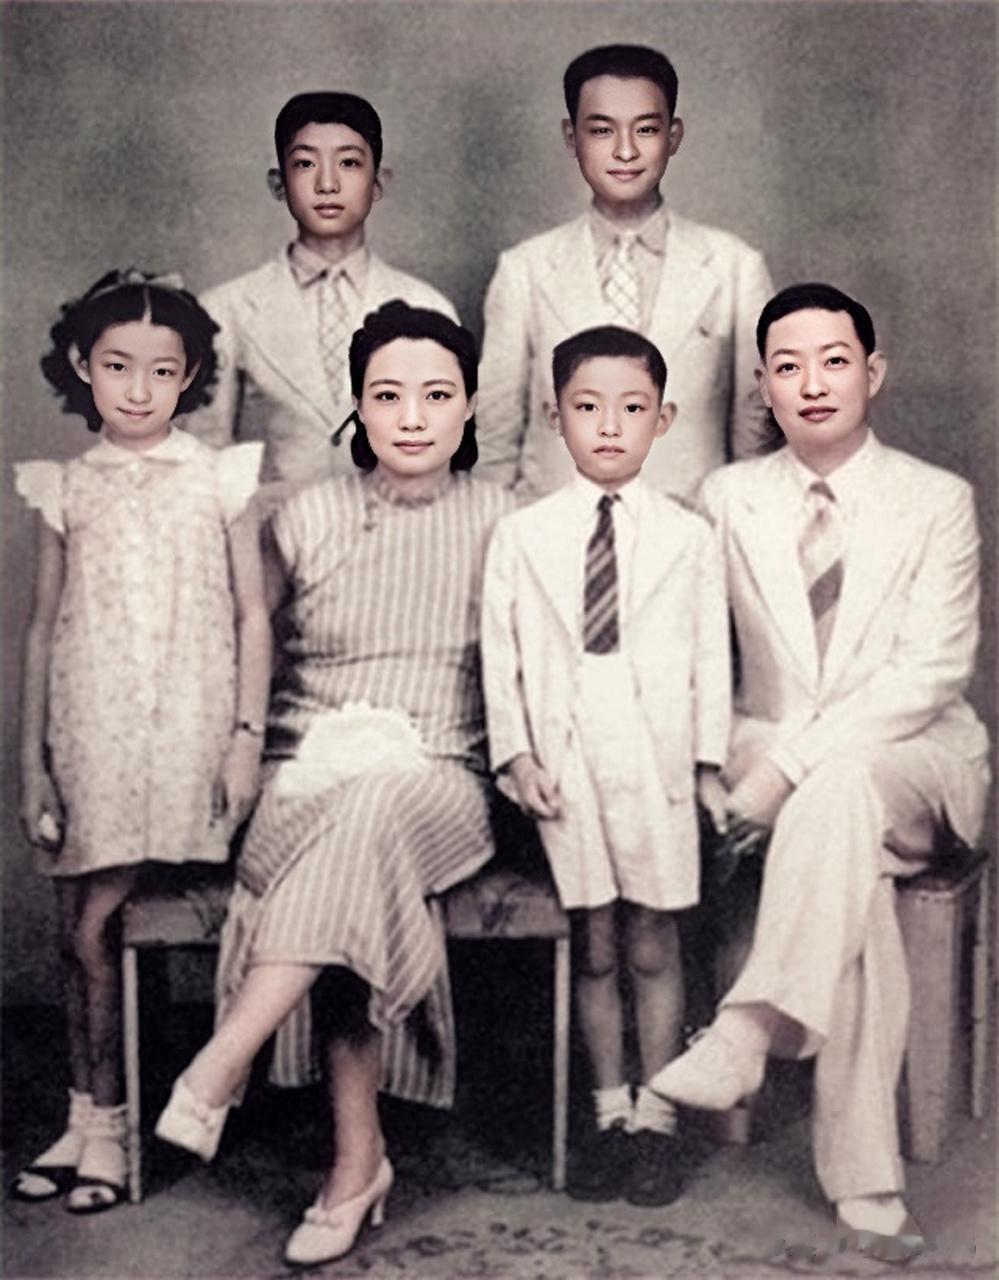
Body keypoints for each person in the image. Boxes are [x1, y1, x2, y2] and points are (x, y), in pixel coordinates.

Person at [155, 301, 514, 1268]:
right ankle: (356, 1166)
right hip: (304, 772)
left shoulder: (506, 518)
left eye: (436, 395)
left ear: (468, 404)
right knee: (353, 846)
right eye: (387, 395)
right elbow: (233, 647)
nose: (412, 416)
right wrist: (237, 747)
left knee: (375, 814)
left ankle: (222, 1062)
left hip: (440, 776)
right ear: (357, 406)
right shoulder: (303, 515)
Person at [651, 283, 991, 1263]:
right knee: (854, 870)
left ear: (872, 373)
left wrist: (787, 768)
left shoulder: (935, 499)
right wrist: (718, 763)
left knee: (841, 786)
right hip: (776, 758)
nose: (811, 383)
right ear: (762, 386)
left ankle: (745, 1030)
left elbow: (929, 673)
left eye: (834, 361)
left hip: (916, 761)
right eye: (787, 366)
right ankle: (867, 1186)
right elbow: (695, 652)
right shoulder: (728, 497)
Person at [12, 269, 269, 1212]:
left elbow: (250, 613)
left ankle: (115, 1127)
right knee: (73, 930)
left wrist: (244, 738)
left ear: (190, 375)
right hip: (93, 732)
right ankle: (85, 1117)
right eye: (118, 365)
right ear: (84, 366)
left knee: (98, 928)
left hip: (187, 736)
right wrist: (32, 762)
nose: (138, 388)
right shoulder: (66, 487)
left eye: (162, 370)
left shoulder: (219, 477)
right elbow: (44, 628)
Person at [481, 325, 730, 1204]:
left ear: (663, 419)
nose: (610, 426)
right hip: (568, 752)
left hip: (652, 751)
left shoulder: (688, 537)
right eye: (587, 407)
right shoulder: (522, 535)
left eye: (631, 408)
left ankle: (657, 1119)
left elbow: (710, 660)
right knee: (592, 943)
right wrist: (517, 755)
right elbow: (500, 658)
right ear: (556, 417)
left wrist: (704, 764)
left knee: (653, 938)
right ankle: (607, 1113)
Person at [476, 43, 773, 499]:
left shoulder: (735, 268)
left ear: (673, 136)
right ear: (571, 137)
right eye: (601, 131)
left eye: (646, 129)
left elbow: (755, 430)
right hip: (555, 522)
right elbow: (496, 431)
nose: (626, 151)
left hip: (690, 522)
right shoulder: (524, 271)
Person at [184, 92, 457, 487]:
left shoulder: (427, 305)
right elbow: (204, 456)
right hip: (272, 519)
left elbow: (445, 446)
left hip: (394, 518)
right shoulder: (225, 310)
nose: (327, 184)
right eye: (305, 164)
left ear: (378, 182)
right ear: (278, 183)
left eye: (349, 163)